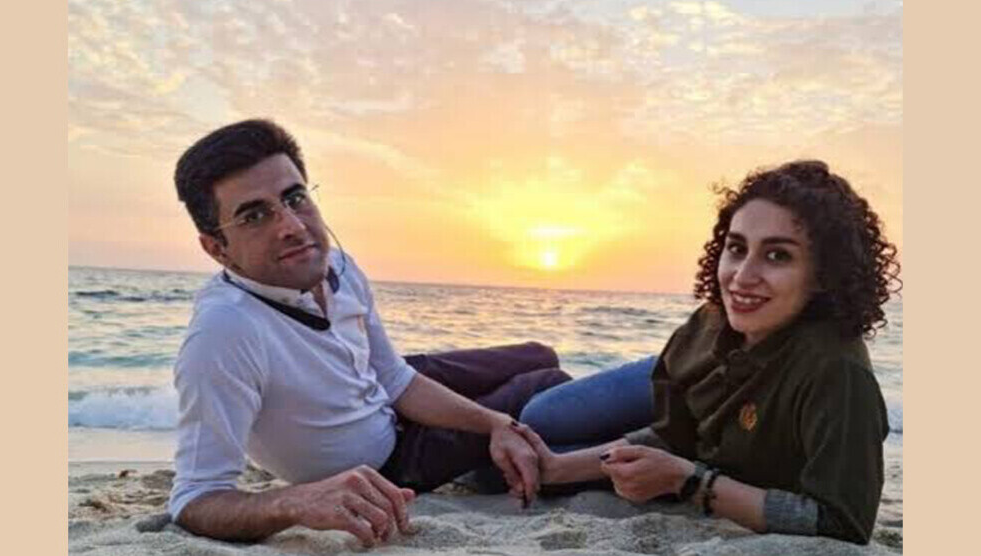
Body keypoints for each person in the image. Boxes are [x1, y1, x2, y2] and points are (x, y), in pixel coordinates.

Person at [168, 119, 571, 546]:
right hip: (387, 461)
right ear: (217, 248)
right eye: (254, 216)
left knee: (538, 354)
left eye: (295, 198)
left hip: (377, 387)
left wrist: (495, 423)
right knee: (545, 383)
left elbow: (394, 379)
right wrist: (295, 502)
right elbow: (195, 498)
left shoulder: (338, 265)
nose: (293, 227)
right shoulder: (223, 332)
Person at [516, 160, 900, 544]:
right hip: (693, 376)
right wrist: (558, 468)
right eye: (737, 248)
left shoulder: (838, 374)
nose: (741, 277)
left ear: (823, 275)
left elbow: (842, 522)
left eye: (777, 256)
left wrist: (689, 481)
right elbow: (675, 435)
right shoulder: (711, 321)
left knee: (507, 463)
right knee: (542, 417)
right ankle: (528, 387)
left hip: (718, 446)